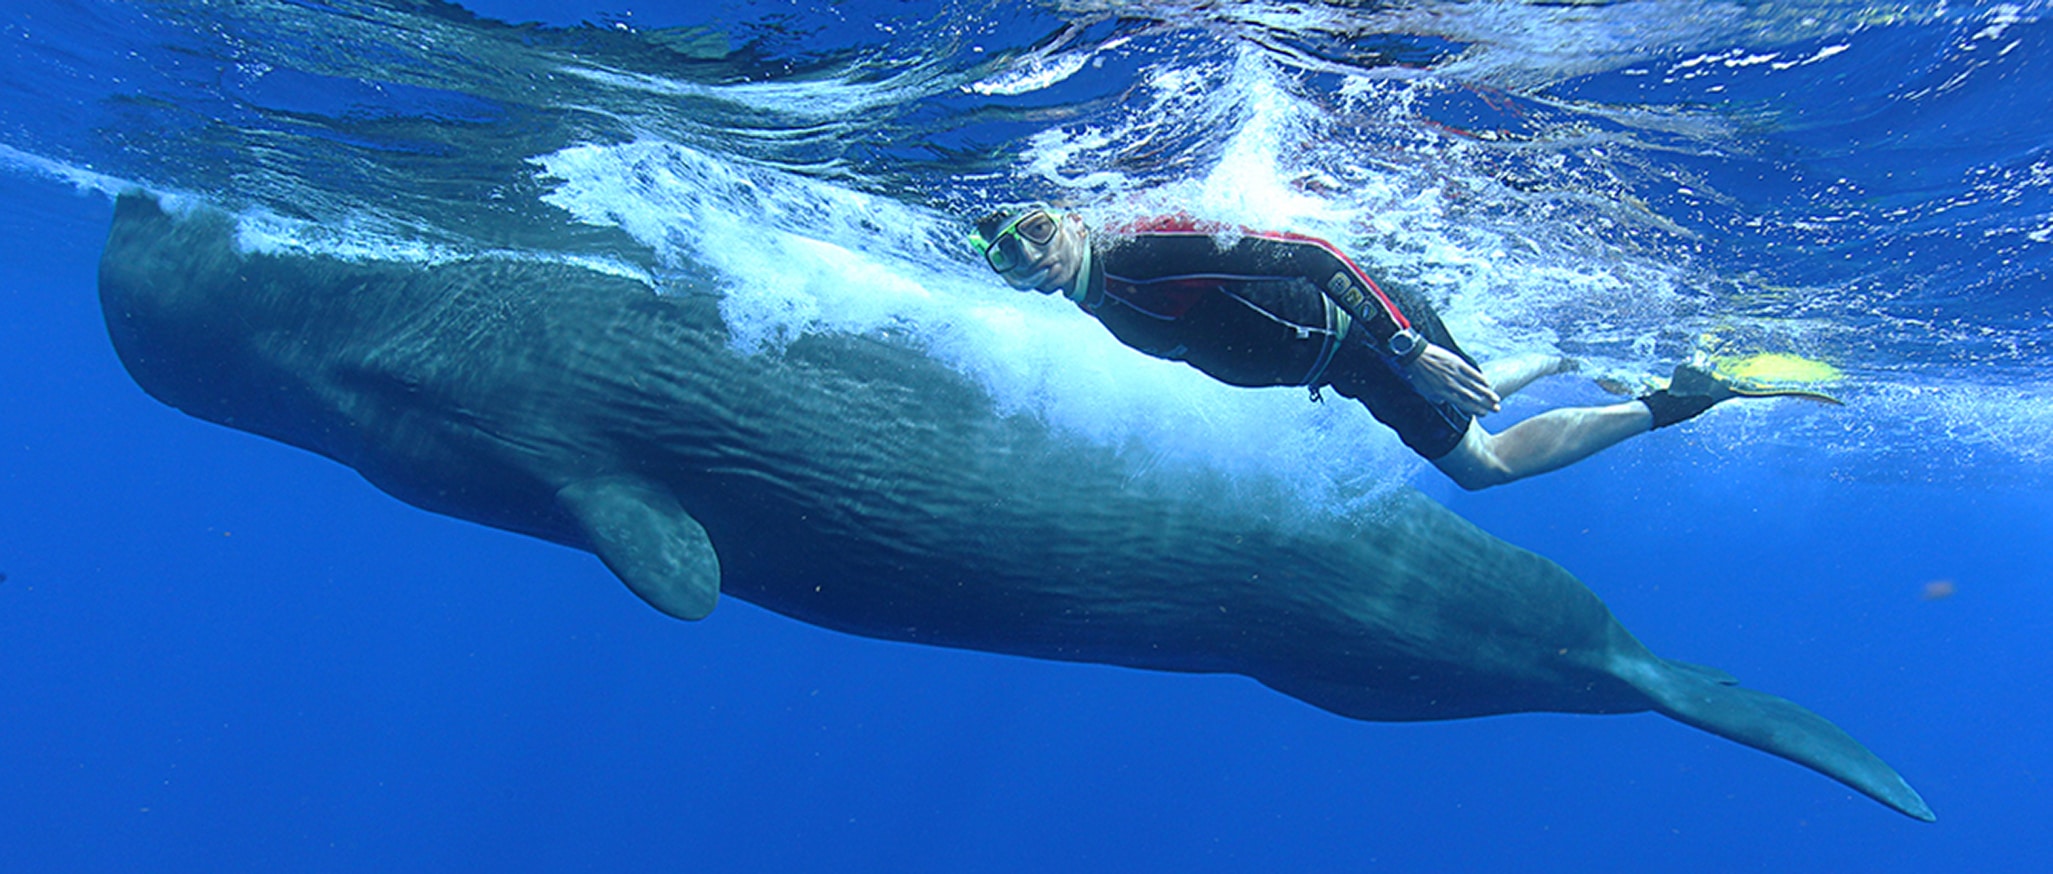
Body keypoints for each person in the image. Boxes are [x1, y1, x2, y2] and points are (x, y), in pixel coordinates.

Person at [969, 205, 1778, 491]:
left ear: (1070, 217)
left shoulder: (1142, 250)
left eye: (1037, 232)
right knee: (1477, 393)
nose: (1034, 256)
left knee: (1484, 465)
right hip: (1349, 367)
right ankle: (1560, 356)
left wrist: (1404, 344)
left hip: (1369, 340)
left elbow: (1312, 254)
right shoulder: (1098, 288)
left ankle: (1677, 401)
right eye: (1008, 253)